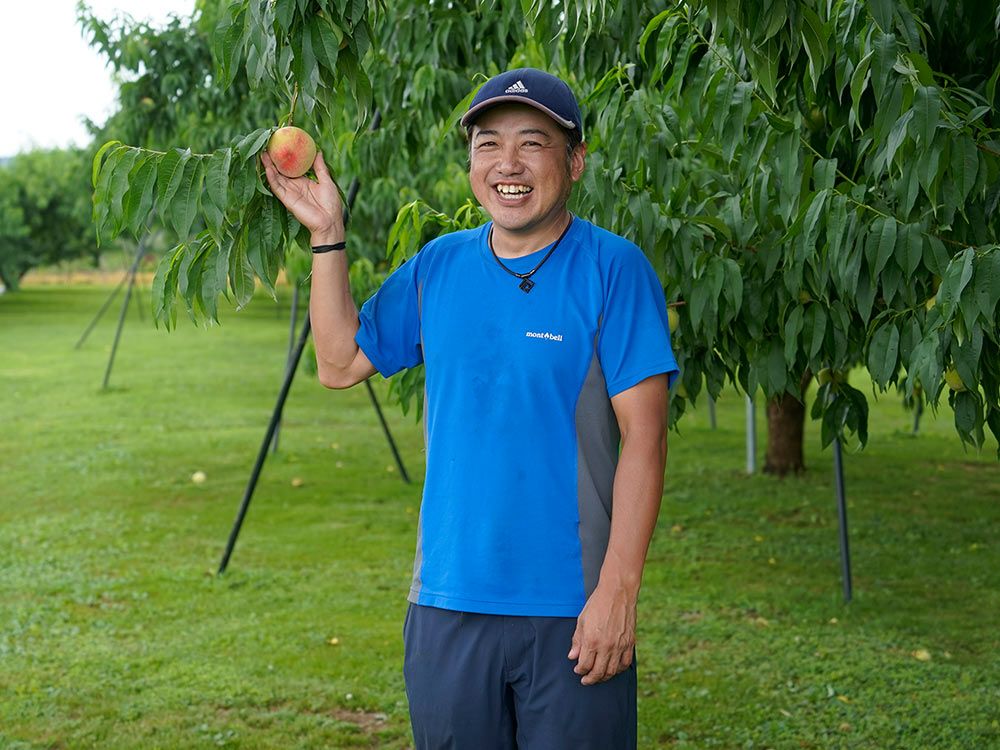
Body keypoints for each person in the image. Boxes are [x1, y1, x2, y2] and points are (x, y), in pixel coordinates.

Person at [262, 67, 679, 750]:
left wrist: (618, 592)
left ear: (575, 161)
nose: (507, 164)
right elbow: (337, 364)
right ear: (471, 163)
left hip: (573, 607)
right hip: (447, 603)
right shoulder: (439, 266)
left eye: (532, 143)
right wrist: (327, 232)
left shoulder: (614, 269)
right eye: (488, 144)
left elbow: (646, 440)